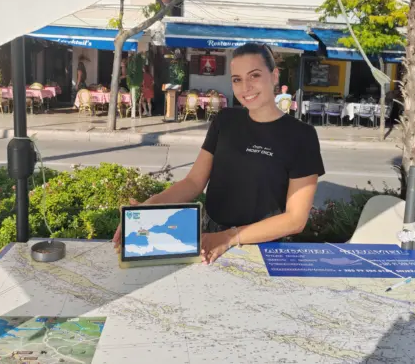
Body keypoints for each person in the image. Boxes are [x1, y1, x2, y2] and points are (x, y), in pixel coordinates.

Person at [113, 43, 325, 264]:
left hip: (263, 245)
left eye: (254, 76)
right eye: (237, 79)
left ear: (274, 76)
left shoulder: (302, 136)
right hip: (211, 239)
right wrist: (146, 208)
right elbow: (193, 182)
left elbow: (295, 219)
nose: (245, 87)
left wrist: (230, 237)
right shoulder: (225, 120)